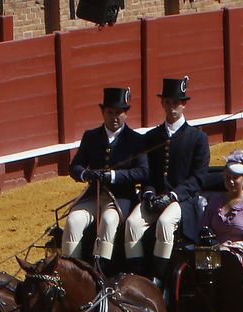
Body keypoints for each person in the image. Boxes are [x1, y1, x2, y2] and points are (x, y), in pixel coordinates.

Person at [124, 75, 211, 283]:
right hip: (155, 197)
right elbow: (148, 174)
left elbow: (197, 179)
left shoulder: (197, 138)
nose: (172, 107)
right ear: (162, 103)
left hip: (183, 201)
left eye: (177, 103)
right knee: (132, 223)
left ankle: (158, 279)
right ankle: (137, 276)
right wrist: (148, 192)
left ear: (184, 105)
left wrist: (172, 196)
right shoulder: (152, 137)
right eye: (168, 102)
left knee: (164, 222)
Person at [65, 86, 148, 277]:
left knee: (109, 221)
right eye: (110, 112)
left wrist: (113, 176)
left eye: (119, 113)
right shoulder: (91, 137)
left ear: (126, 114)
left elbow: (143, 172)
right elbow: (75, 167)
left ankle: (99, 271)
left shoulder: (136, 140)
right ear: (102, 112)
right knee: (73, 221)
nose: (114, 117)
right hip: (93, 196)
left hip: (119, 198)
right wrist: (87, 174)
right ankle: (71, 273)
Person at [201, 148, 243, 291]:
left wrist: (233, 246)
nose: (230, 181)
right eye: (227, 177)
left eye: (235, 178)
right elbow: (205, 229)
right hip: (214, 253)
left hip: (239, 255)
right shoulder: (215, 201)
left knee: (229, 262)